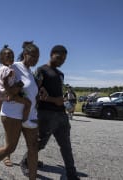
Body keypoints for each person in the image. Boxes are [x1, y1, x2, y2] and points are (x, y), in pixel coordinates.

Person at [21, 45, 80, 180]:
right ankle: (26, 162)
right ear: (51, 54)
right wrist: (54, 100)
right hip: (46, 114)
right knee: (40, 143)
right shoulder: (42, 70)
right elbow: (34, 94)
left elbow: (56, 93)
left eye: (64, 59)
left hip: (61, 115)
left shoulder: (60, 74)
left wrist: (62, 102)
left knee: (66, 146)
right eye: (59, 57)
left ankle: (72, 174)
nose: (61, 61)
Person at [0, 41, 39, 180]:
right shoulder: (14, 66)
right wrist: (10, 94)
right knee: (10, 148)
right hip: (12, 114)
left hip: (29, 115)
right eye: (33, 56)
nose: (36, 59)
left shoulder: (31, 73)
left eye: (37, 57)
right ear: (25, 54)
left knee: (33, 148)